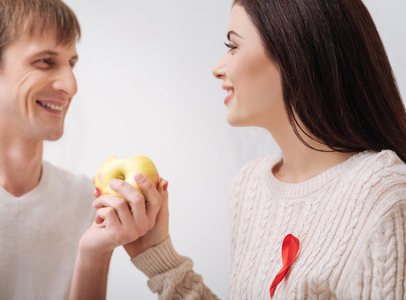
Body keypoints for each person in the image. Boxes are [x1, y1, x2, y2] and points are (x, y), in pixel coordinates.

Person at [123, 0, 406, 299]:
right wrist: (157, 256)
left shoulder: (385, 198)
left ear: (295, 54)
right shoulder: (250, 186)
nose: (217, 68)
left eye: (232, 46)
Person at [0, 0, 167, 299]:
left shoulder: (87, 200)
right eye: (45, 61)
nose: (71, 84)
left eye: (71, 63)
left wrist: (94, 254)